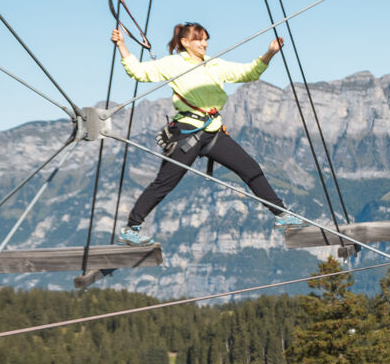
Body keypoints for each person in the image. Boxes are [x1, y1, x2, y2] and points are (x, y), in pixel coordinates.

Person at [111, 21, 306, 244]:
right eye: (199, 39)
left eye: (205, 39)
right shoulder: (173, 64)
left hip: (213, 131)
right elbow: (138, 72)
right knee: (165, 183)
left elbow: (249, 73)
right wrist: (122, 45)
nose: (204, 43)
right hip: (187, 133)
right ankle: (131, 228)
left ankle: (281, 215)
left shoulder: (214, 64)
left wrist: (270, 53)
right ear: (185, 42)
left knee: (250, 168)